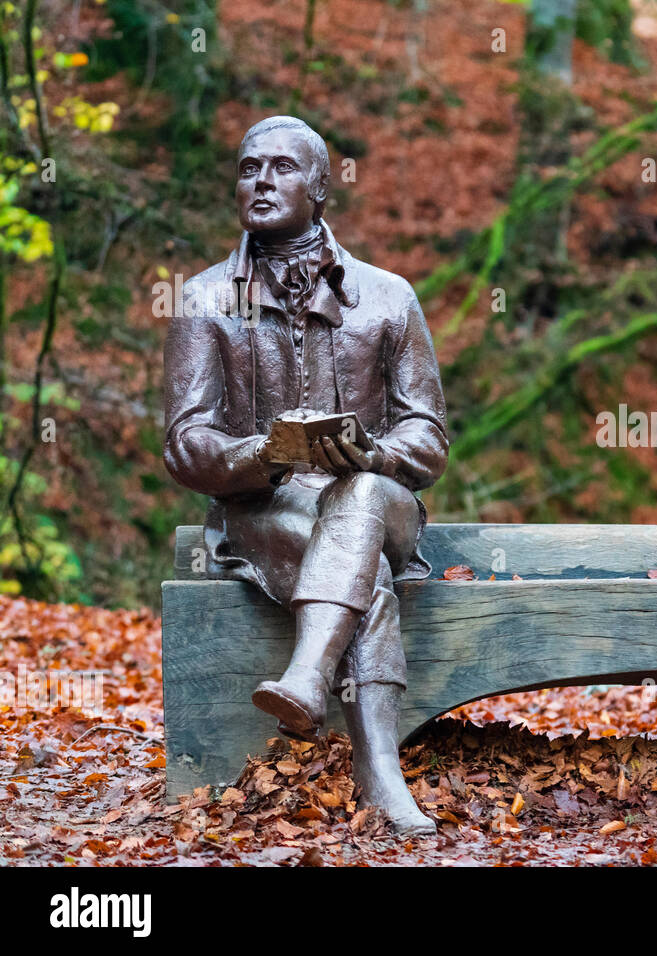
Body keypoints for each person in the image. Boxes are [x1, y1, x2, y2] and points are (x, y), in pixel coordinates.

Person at [163, 116, 448, 832]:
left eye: (281, 168)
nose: (260, 181)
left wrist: (374, 453)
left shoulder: (388, 297)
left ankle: (305, 678)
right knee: (362, 574)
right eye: (248, 168)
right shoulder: (202, 301)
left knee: (357, 496)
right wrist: (267, 451)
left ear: (321, 187)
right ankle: (378, 768)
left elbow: (428, 436)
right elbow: (185, 444)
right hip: (265, 510)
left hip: (384, 504)